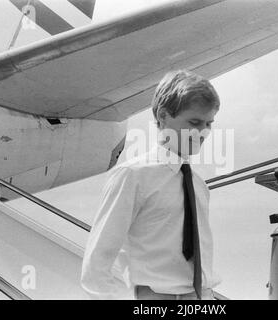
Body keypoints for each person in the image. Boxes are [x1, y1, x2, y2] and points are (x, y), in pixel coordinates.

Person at [81, 69, 221, 300]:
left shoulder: (198, 184)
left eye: (209, 123)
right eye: (194, 122)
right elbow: (98, 260)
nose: (203, 132)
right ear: (164, 116)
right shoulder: (132, 175)